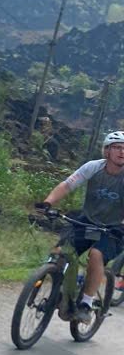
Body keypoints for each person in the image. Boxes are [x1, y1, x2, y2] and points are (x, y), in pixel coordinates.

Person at [39, 130, 124, 323]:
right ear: (107, 151)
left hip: (114, 228)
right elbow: (67, 185)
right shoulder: (93, 167)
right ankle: (60, 293)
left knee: (96, 255)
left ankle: (86, 303)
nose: (122, 152)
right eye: (117, 147)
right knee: (61, 252)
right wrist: (47, 203)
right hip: (87, 220)